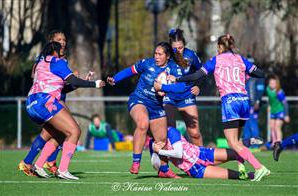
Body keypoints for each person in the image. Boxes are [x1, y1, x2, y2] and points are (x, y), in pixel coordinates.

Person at [155, 34, 270, 181]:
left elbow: (197, 75)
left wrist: (177, 79)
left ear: (220, 47)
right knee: (237, 140)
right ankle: (241, 167)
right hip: (244, 100)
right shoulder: (241, 59)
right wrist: (245, 75)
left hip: (230, 101)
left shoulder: (216, 60)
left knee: (232, 142)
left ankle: (259, 167)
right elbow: (260, 73)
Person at [18, 30, 94, 176]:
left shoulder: (60, 59)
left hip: (53, 97)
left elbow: (66, 83)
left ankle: (33, 163)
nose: (63, 42)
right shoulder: (46, 60)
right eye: (59, 39)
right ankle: (50, 164)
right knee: (71, 130)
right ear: (51, 42)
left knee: (52, 132)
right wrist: (81, 81)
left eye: (64, 39)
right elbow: (38, 76)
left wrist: (76, 81)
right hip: (49, 99)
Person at [107, 42, 186, 178]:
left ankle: (164, 169)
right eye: (155, 53)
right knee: (143, 123)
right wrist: (115, 79)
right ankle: (136, 162)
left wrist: (163, 87)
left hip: (157, 106)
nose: (156, 56)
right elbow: (130, 71)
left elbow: (182, 87)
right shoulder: (147, 63)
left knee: (161, 140)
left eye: (160, 54)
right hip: (139, 99)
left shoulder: (174, 69)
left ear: (167, 56)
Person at [151, 127, 254, 180]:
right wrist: (156, 152)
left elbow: (178, 153)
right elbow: (156, 166)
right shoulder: (153, 142)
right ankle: (253, 175)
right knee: (238, 176)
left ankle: (245, 143)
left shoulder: (170, 131)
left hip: (202, 154)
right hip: (194, 170)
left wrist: (160, 151)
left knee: (234, 154)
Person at [164, 28, 203, 146]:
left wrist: (197, 85)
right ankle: (171, 162)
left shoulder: (190, 55)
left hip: (186, 95)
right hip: (169, 96)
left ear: (184, 45)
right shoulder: (165, 55)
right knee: (171, 131)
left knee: (194, 133)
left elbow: (201, 72)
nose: (178, 50)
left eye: (180, 47)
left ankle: (202, 161)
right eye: (175, 48)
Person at [242, 55, 265, 149]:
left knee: (252, 123)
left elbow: (260, 90)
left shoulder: (257, 76)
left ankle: (256, 145)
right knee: (246, 124)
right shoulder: (243, 75)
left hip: (253, 104)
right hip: (244, 103)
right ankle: (247, 145)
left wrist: (257, 102)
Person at [266, 74, 290, 161]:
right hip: (273, 111)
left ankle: (279, 143)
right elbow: (270, 99)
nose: (272, 85)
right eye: (270, 83)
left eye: (274, 83)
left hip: (280, 111)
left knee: (277, 127)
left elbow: (285, 103)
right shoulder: (268, 89)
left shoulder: (279, 92)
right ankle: (274, 142)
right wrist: (269, 106)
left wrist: (286, 115)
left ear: (277, 84)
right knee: (271, 127)